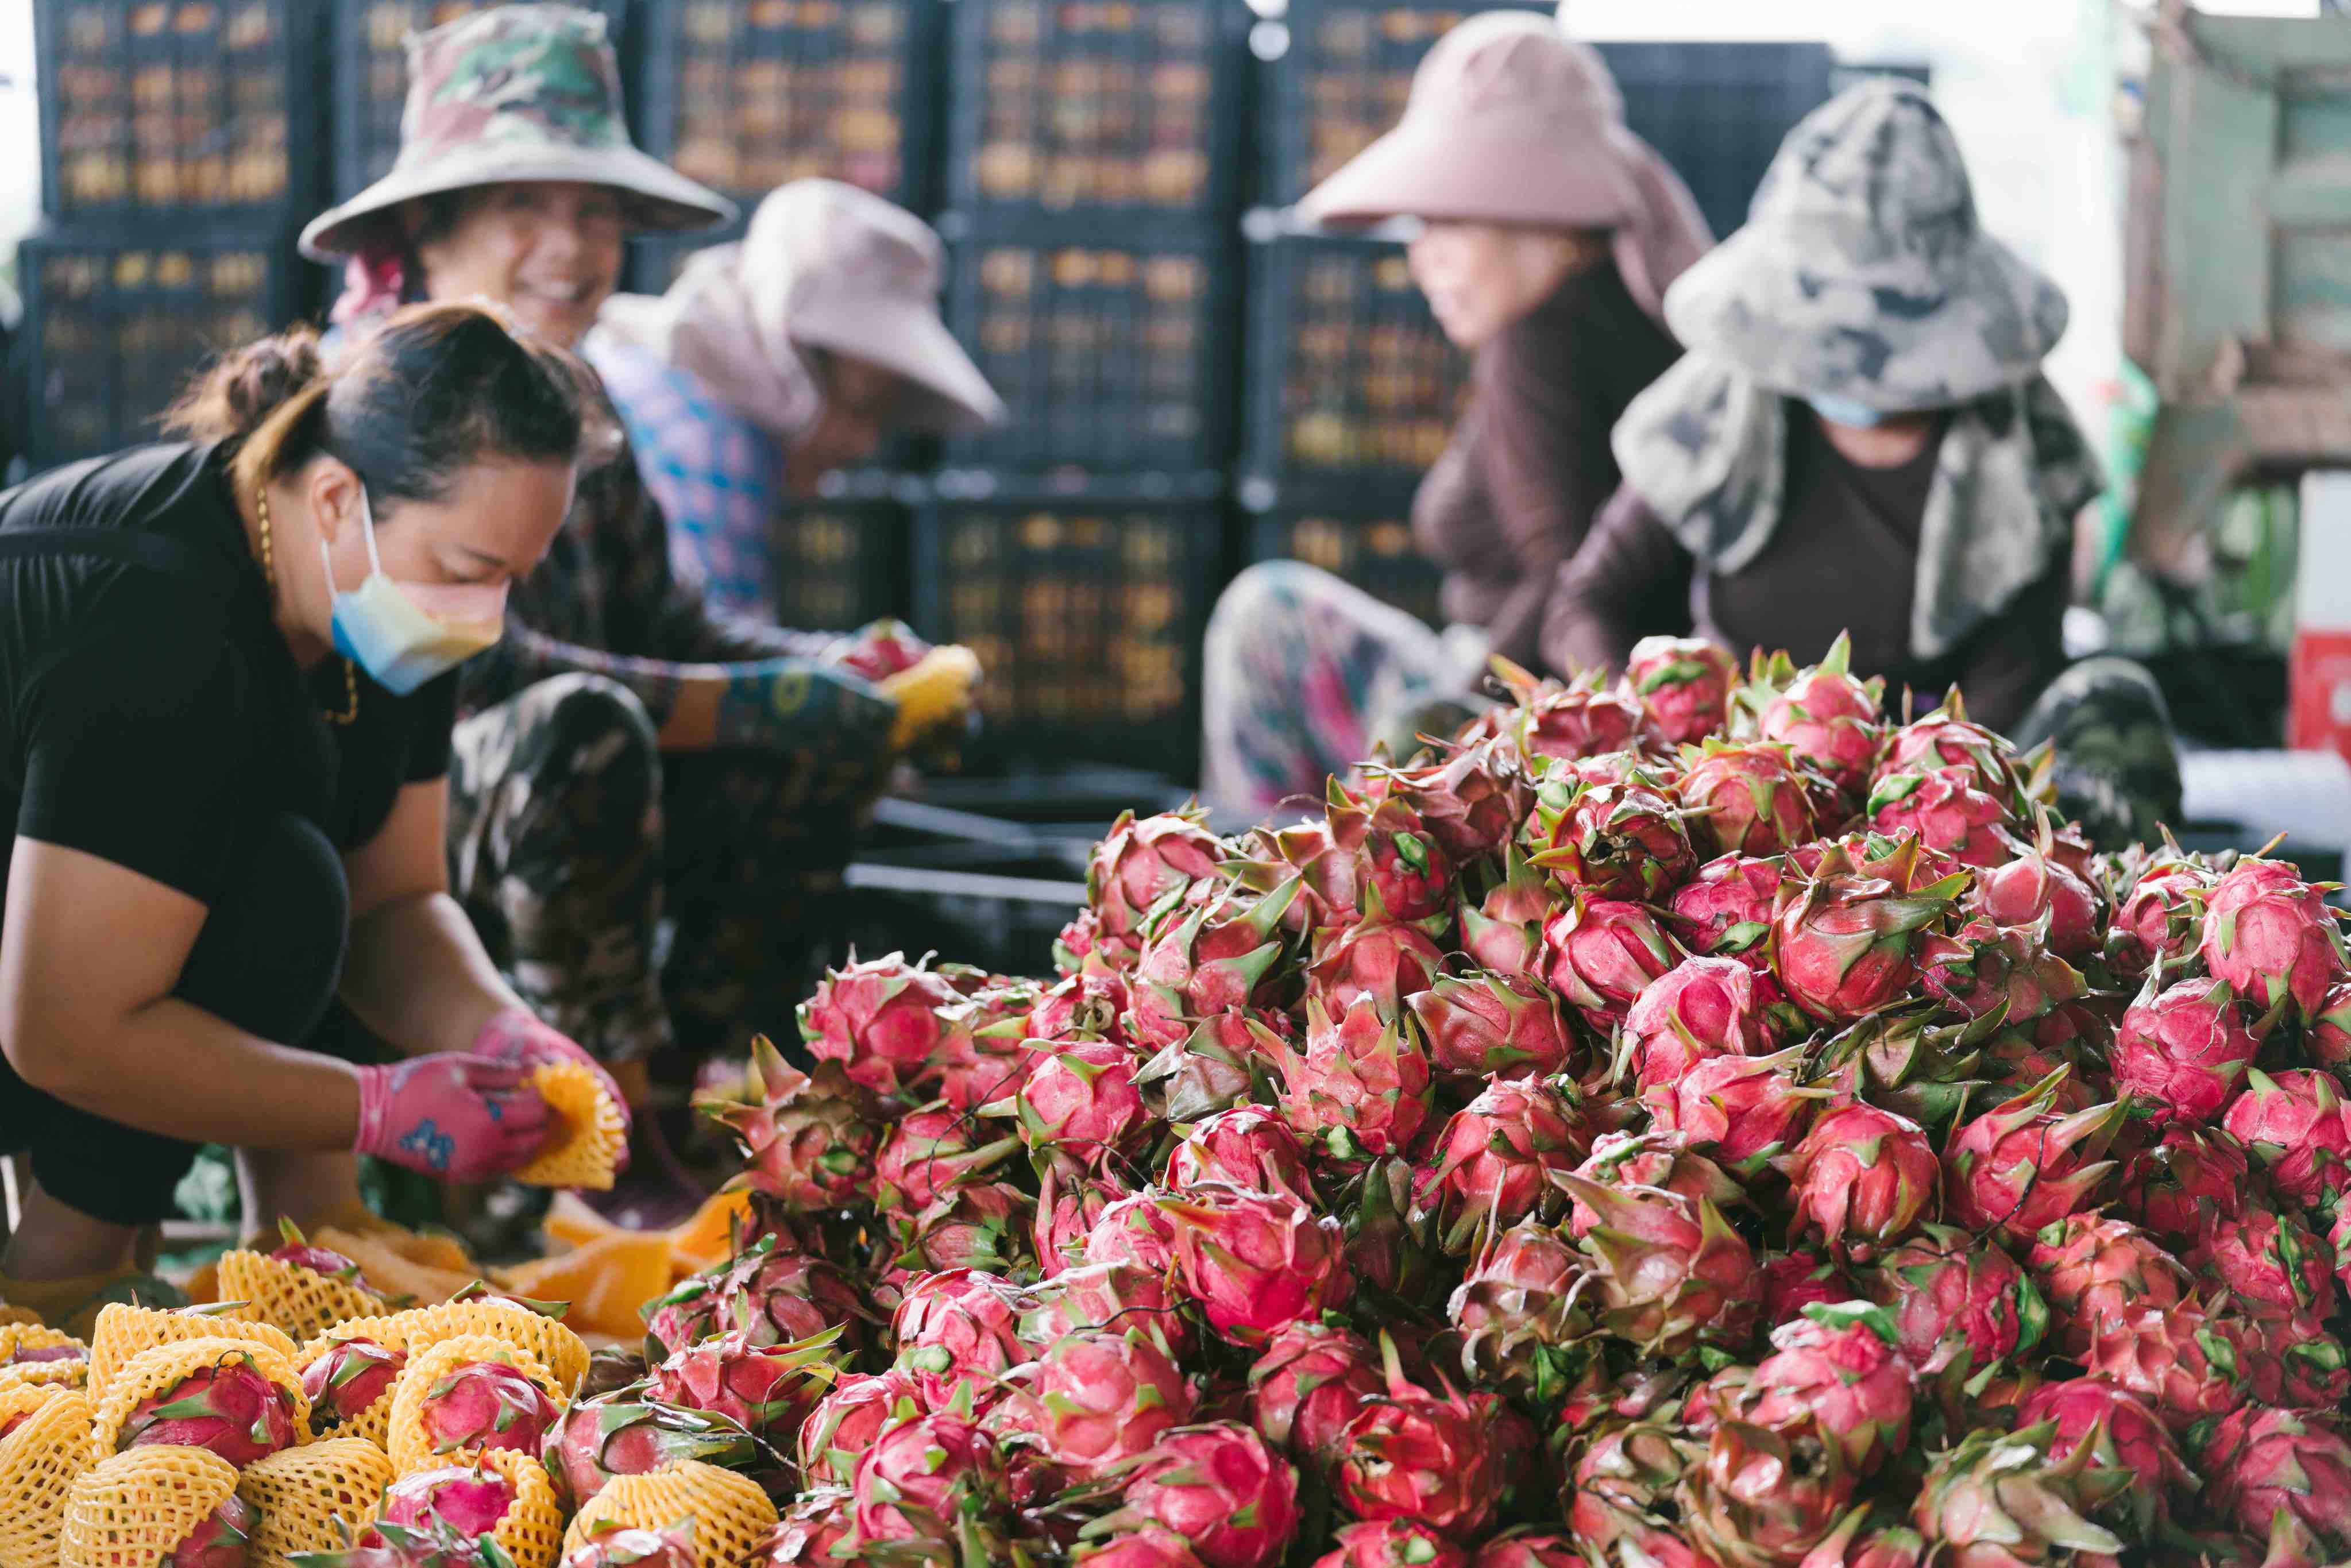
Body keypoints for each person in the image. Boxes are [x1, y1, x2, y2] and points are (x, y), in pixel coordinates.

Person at [297, 4, 975, 1226]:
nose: (570, 246)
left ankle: (689, 1092)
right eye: (526, 207)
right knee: (583, 729)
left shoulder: (580, 405)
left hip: (558, 801)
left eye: (596, 213)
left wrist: (839, 674)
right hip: (382, 829)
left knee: (808, 740)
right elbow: (483, 672)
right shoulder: (367, 400)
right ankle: (589, 1138)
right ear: (432, 229)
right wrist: (760, 698)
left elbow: (675, 625)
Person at [0, 303, 619, 1330]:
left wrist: (502, 1034)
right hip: (40, 1004)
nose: (488, 614)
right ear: (336, 498)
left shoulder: (379, 602)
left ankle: (302, 1242)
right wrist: (378, 1113)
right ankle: (60, 1270)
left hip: (72, 969)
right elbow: (63, 1030)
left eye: (512, 578)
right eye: (472, 572)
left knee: (297, 879)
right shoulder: (162, 617)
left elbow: (392, 901)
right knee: (267, 882)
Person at [1542, 79, 2182, 846]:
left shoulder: (2022, 459)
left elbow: (2007, 695)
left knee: (2115, 701)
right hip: (1718, 802)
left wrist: (1888, 818)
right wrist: (1655, 729)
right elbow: (1584, 601)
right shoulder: (1720, 415)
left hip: (1937, 815)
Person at [1199, 9, 1712, 820]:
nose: (1421, 256)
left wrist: (1441, 738)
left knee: (1268, 613)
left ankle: (1254, 890)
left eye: (1448, 219)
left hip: (1531, 721)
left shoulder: (1538, 338)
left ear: (1550, 222)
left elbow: (1569, 579)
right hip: (1598, 697)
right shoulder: (1625, 315)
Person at [590, 179, 1006, 624]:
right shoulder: (707, 442)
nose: (864, 445)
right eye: (859, 405)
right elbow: (711, 676)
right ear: (792, 361)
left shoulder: (665, 379)